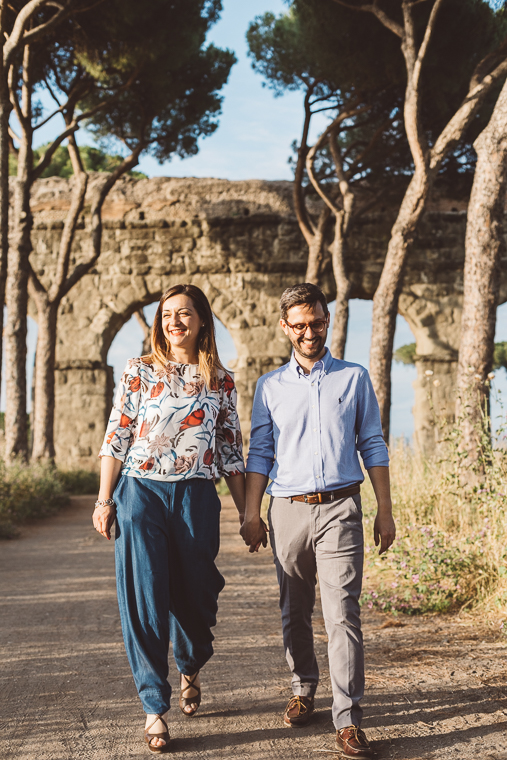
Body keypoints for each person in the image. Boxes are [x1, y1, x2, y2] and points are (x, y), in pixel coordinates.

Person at [241, 283, 395, 760]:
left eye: (318, 323)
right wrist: (250, 512)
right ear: (285, 327)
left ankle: (348, 719)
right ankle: (304, 685)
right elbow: (261, 451)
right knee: (294, 609)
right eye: (301, 325)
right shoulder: (269, 386)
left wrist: (385, 508)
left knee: (343, 613)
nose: (311, 332)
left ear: (328, 321)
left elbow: (372, 442)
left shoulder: (353, 378)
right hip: (286, 509)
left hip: (341, 508)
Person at [93, 284, 245, 754]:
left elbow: (231, 452)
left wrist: (249, 515)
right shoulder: (139, 371)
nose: (174, 321)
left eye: (185, 313)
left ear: (202, 321)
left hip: (197, 496)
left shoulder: (220, 380)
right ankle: (154, 707)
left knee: (199, 596)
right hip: (140, 491)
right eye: (166, 314)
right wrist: (104, 499)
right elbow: (117, 434)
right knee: (144, 594)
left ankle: (190, 661)